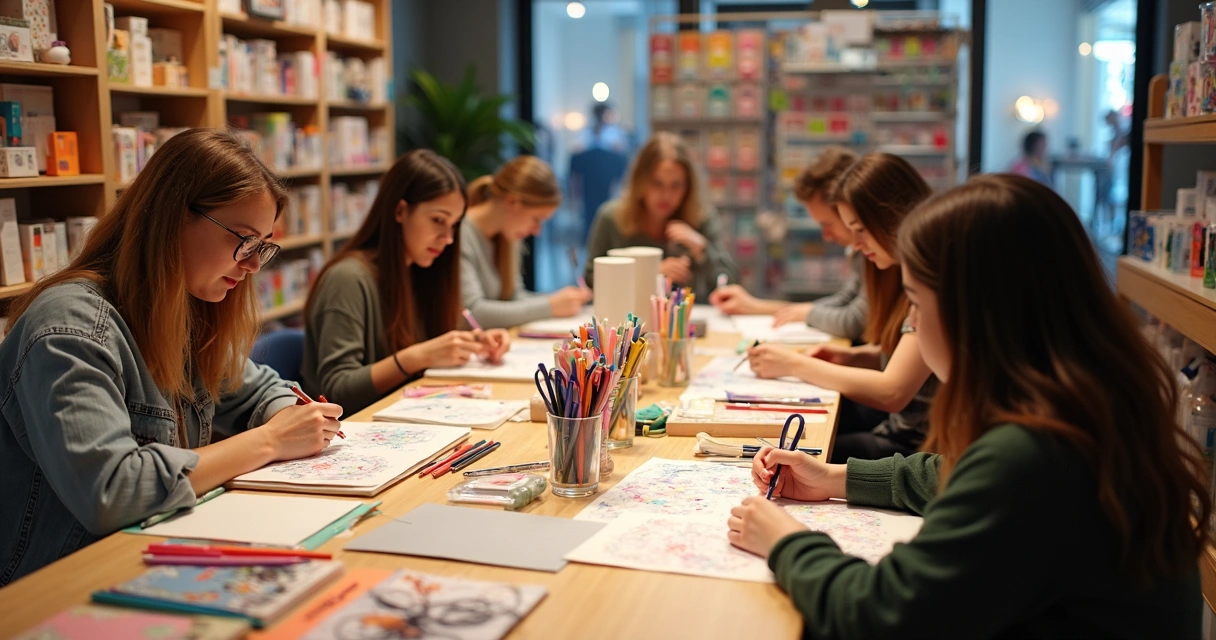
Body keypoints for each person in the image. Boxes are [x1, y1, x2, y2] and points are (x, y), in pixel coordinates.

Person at [727, 174, 1207, 637]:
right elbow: (956, 475)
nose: (909, 322)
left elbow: (879, 615)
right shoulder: (1088, 403)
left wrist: (786, 541)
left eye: (914, 301)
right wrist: (836, 477)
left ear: (973, 313)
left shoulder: (1033, 456)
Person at [0, 128, 344, 585]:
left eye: (262, 245)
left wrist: (294, 418)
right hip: (56, 588)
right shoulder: (69, 326)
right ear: (173, 217)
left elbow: (256, 386)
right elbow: (112, 491)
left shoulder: (178, 305)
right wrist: (272, 441)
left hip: (149, 560)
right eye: (243, 240)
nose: (254, 264)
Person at [747, 153, 937, 463]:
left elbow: (893, 391)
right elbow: (914, 359)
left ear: (890, 216)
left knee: (780, 458)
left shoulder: (930, 276)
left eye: (859, 230)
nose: (855, 245)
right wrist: (854, 356)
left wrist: (794, 365)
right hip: (906, 438)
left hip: (917, 447)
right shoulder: (910, 269)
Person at [302, 149, 511, 414]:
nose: (448, 238)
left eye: (455, 225)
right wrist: (418, 356)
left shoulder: (422, 270)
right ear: (400, 210)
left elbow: (437, 336)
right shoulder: (347, 279)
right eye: (438, 220)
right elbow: (335, 392)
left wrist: (476, 341)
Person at [709, 146, 866, 340]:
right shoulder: (862, 252)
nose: (826, 236)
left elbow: (855, 320)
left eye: (828, 224)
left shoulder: (873, 251)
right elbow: (844, 301)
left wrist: (806, 314)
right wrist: (757, 307)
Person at [584, 132, 738, 300]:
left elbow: (730, 285)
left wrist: (702, 250)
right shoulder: (611, 218)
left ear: (688, 187)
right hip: (629, 321)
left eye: (676, 185)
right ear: (640, 181)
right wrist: (651, 272)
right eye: (657, 184)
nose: (666, 195)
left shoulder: (701, 218)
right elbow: (591, 281)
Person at [461, 155, 591, 329]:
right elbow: (473, 313)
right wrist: (551, 305)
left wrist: (561, 300)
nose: (537, 231)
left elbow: (515, 297)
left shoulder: (507, 235)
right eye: (536, 219)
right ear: (512, 202)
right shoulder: (459, 234)